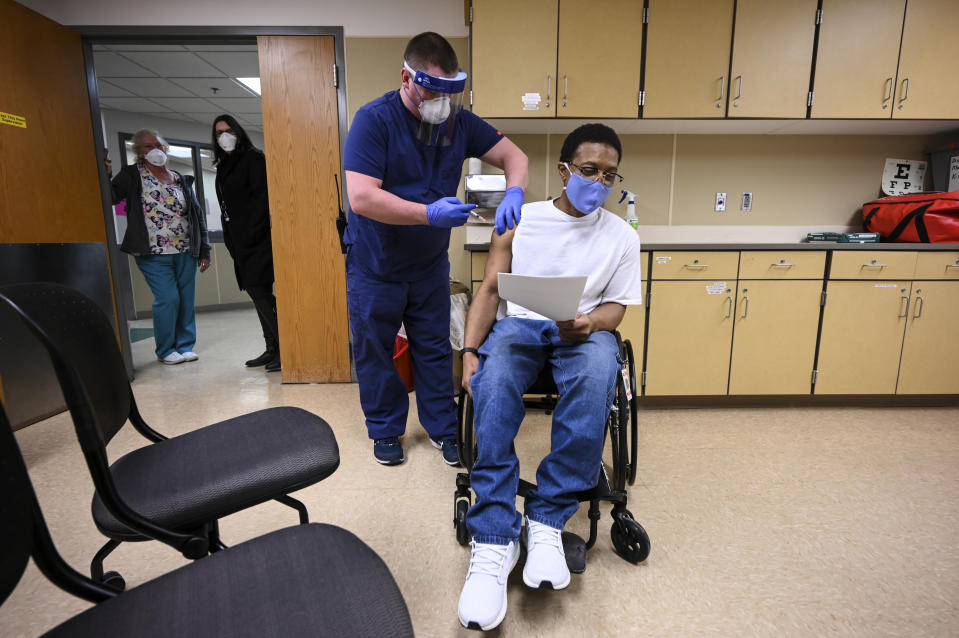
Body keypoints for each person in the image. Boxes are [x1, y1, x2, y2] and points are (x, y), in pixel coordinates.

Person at [456, 124, 643, 630]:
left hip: (583, 331)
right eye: (588, 171)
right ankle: (494, 539)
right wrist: (470, 352)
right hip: (521, 325)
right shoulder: (521, 218)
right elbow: (491, 290)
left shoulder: (623, 236)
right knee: (492, 386)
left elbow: (617, 308)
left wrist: (590, 322)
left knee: (601, 371)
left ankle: (546, 518)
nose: (598, 182)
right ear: (563, 170)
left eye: (608, 175)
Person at [343, 32, 528, 467]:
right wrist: (428, 214)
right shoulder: (374, 120)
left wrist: (515, 191)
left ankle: (444, 429)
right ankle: (386, 429)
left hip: (427, 266)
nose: (441, 103)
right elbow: (362, 197)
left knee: (432, 346)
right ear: (407, 78)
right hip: (376, 264)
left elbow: (515, 156)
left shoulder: (458, 123)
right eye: (433, 90)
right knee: (376, 348)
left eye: (451, 92)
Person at [107, 129, 211, 365]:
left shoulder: (180, 178)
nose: (155, 150)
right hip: (152, 252)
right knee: (168, 298)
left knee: (186, 299)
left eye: (159, 145)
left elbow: (196, 216)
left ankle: (185, 346)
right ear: (139, 152)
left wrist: (204, 249)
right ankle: (165, 349)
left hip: (186, 250)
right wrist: (106, 173)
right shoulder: (132, 175)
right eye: (147, 146)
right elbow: (110, 197)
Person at [212, 114, 280, 372]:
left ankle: (284, 349)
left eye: (229, 130)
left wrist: (251, 234)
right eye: (219, 133)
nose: (224, 136)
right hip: (239, 242)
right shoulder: (224, 165)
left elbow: (263, 199)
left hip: (257, 240)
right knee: (256, 294)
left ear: (238, 132)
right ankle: (271, 347)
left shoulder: (252, 159)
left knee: (260, 293)